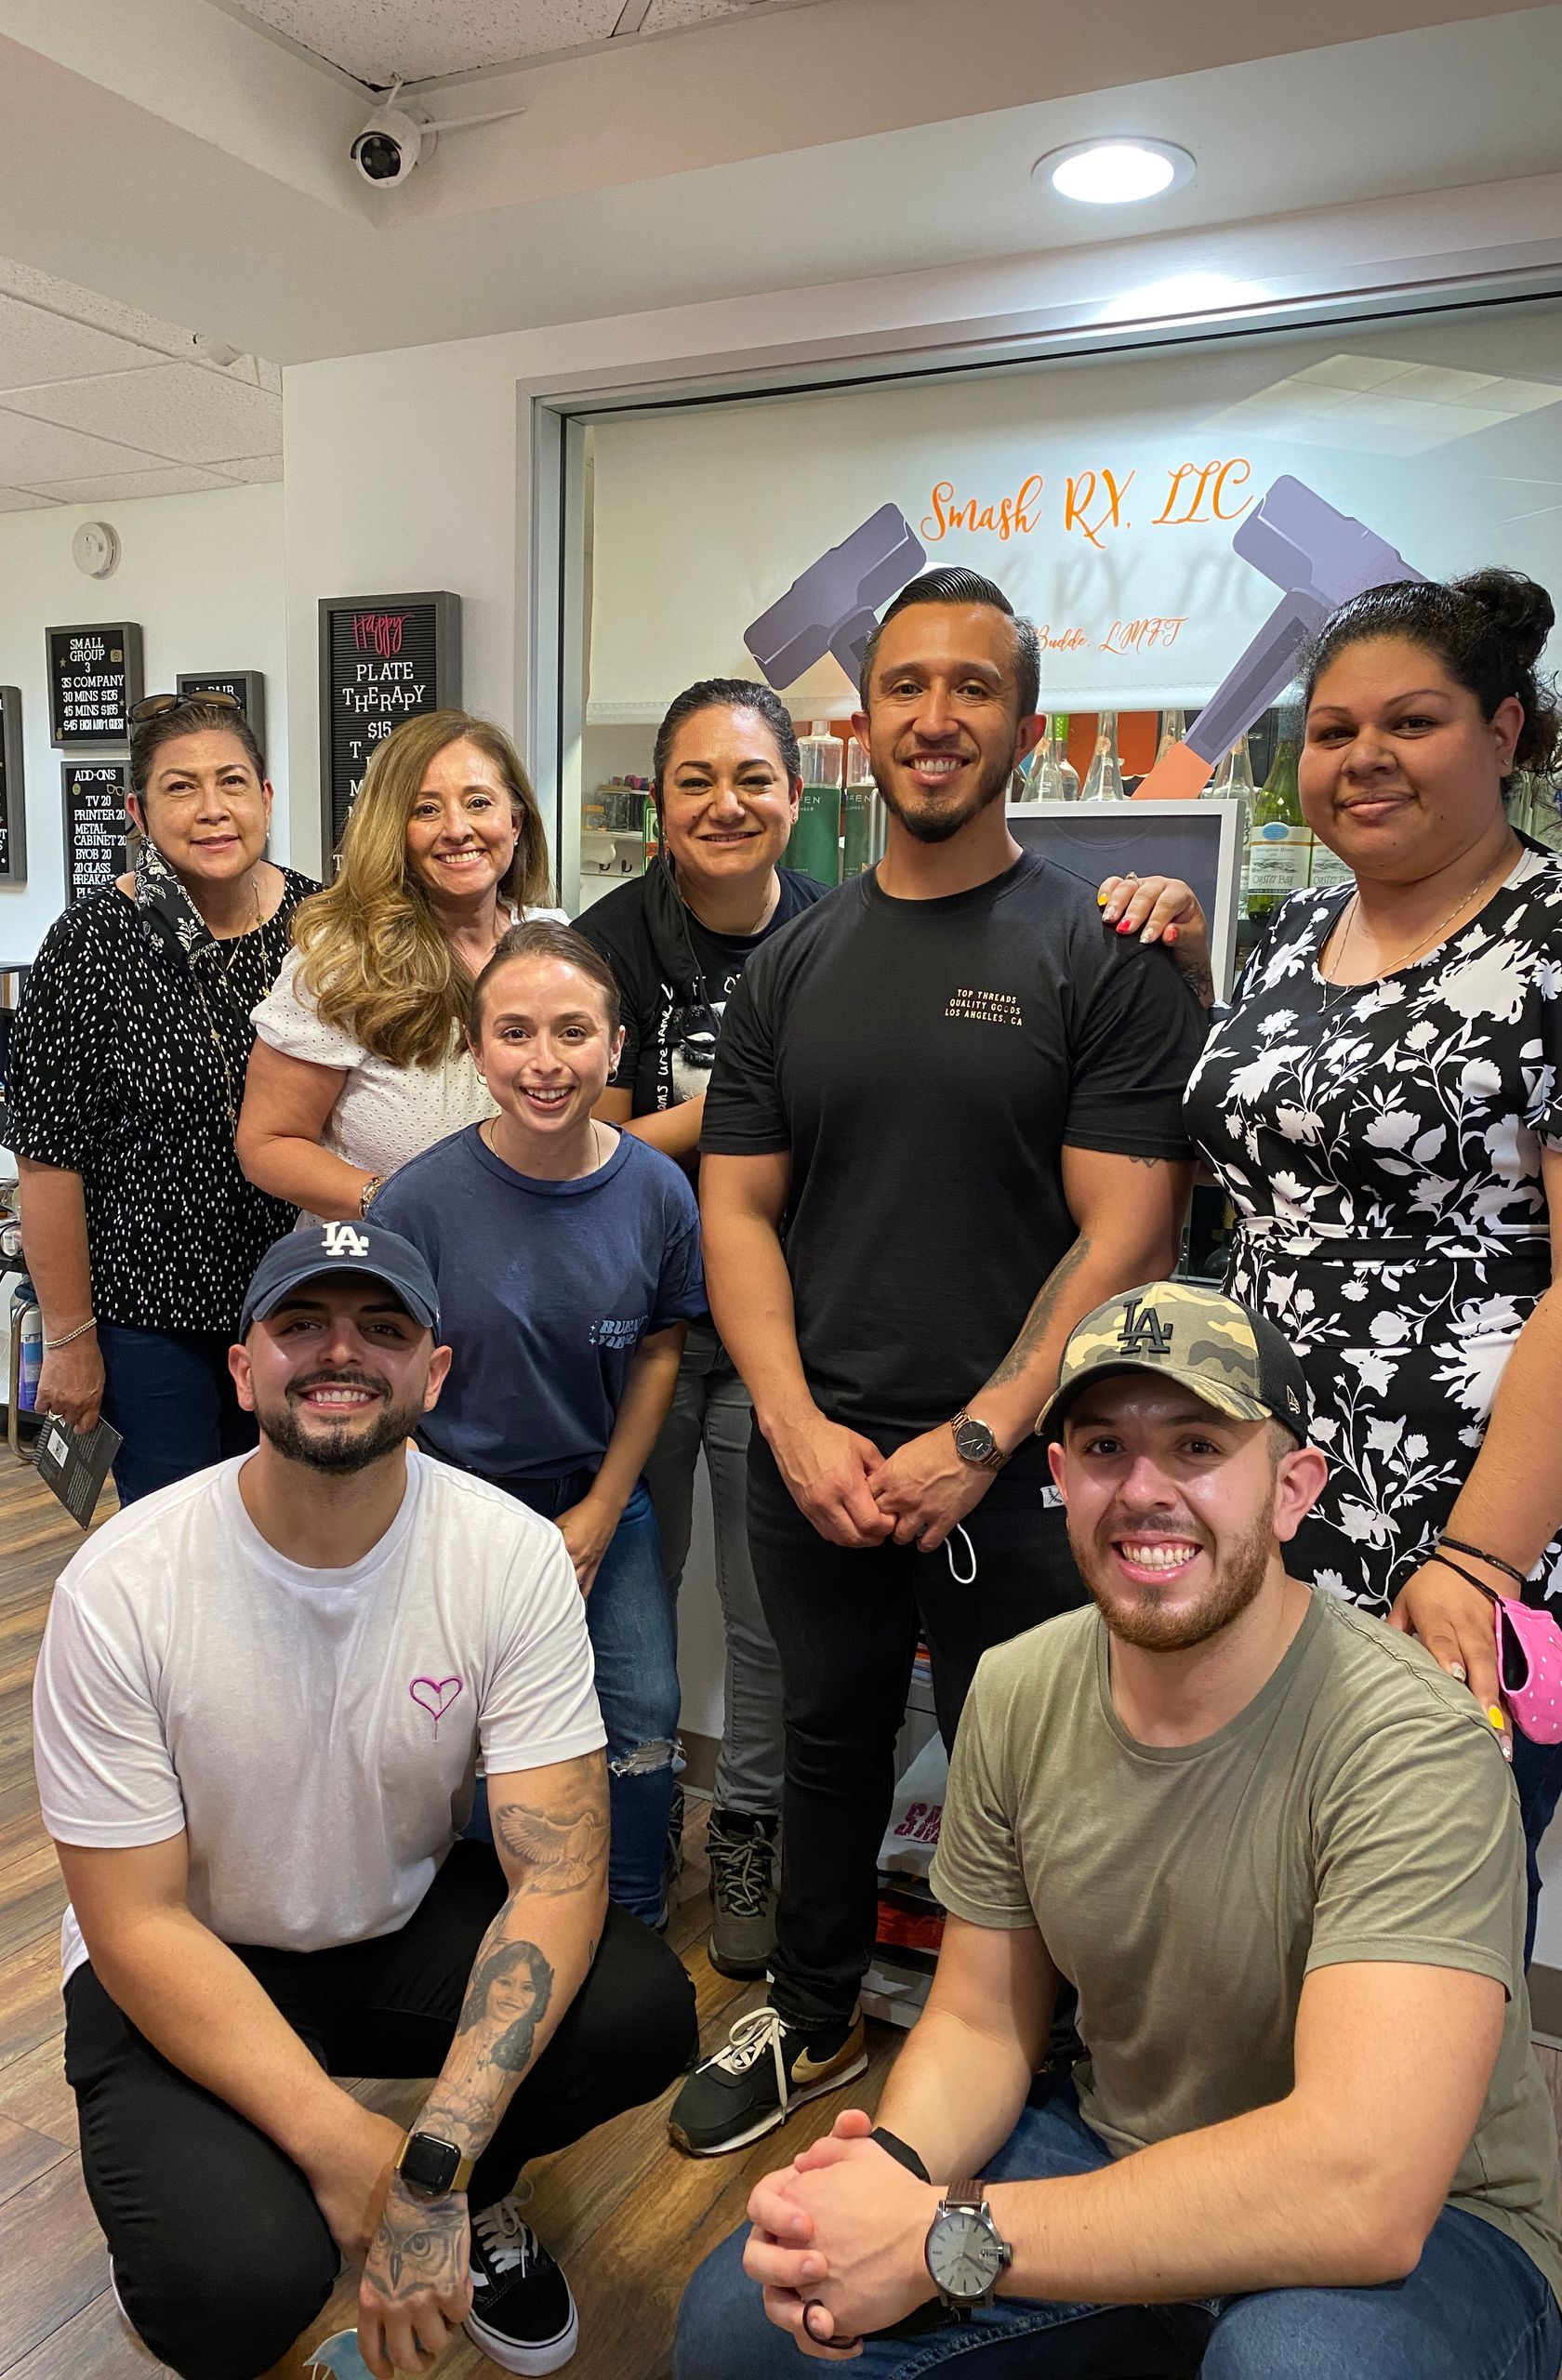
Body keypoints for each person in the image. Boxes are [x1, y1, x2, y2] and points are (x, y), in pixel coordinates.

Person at [675, 1281, 1562, 2380]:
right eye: (1104, 1446)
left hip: (1436, 2227)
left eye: (1197, 1444)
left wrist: (945, 2238)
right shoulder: (1016, 1687)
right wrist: (894, 2182)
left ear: (1292, 1491)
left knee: (1297, 2367)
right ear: (1059, 1481)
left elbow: (1365, 2189)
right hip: (1122, 2143)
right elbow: (979, 2021)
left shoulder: (1413, 1742)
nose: (1145, 1491)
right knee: (744, 2329)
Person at [668, 569, 1208, 2158]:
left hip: (1029, 1461)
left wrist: (979, 1434)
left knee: (1038, 1769)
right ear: (862, 724)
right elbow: (741, 1210)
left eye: (974, 688)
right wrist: (792, 1424)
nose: (936, 716)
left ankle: (1042, 2060)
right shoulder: (793, 964)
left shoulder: (1096, 954)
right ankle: (815, 2017)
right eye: (907, 686)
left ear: (1026, 727)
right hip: (821, 1452)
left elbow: (1127, 1236)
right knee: (826, 1740)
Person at [32, 1222, 696, 2380]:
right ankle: (271, 2187)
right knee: (228, 2283)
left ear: (433, 1374)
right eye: (302, 1325)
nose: (342, 1352)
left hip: (391, 1925)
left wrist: (433, 2165)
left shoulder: (509, 1558)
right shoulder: (121, 1585)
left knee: (644, 2011)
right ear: (242, 1370)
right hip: (188, 1953)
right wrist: (351, 2149)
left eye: (382, 1328)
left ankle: (472, 2200)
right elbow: (132, 1920)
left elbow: (561, 1866)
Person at [1104, 569, 1562, 1950]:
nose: (1364, 760)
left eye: (1412, 722)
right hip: (1287, 1486)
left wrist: (1479, 1560)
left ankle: (1433, 2170)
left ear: (1505, 731)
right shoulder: (1299, 931)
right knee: (1272, 1862)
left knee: (1428, 1897)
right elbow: (1290, 1141)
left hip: (1485, 1503)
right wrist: (1180, 977)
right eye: (1335, 731)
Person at [370, 922, 707, 1928]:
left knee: (641, 1714)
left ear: (616, 1048)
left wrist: (604, 1509)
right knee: (469, 1724)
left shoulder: (655, 1190)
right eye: (514, 1033)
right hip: (459, 1509)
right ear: (477, 1050)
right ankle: (503, 1920)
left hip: (605, 1504)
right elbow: (389, 1367)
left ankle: (636, 1912)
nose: (545, 1062)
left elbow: (658, 1346)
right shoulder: (419, 1200)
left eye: (572, 1033)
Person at [577, 677, 827, 1979]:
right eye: (695, 781)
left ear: (795, 792)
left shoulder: (841, 934)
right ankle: (632, 1830)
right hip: (647, 1325)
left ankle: (747, 1831)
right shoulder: (615, 936)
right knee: (631, 1602)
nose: (725, 804)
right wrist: (750, 1103)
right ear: (662, 804)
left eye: (751, 778)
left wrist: (731, 1116)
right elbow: (591, 1134)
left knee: (767, 1614)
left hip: (784, 1330)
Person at [5, 692, 317, 1503]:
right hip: (152, 1316)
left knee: (311, 1531)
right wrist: (71, 1340)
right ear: (140, 812)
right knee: (184, 1549)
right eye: (181, 789)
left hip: (305, 1304)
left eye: (233, 783)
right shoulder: (90, 943)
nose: (213, 811)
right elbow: (46, 1162)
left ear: (268, 797)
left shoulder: (326, 925)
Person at [237, 709, 567, 1221]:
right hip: (384, 1271)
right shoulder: (342, 959)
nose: (457, 830)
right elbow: (268, 1143)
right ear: (393, 829)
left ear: (516, 822)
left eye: (479, 803)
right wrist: (396, 1203)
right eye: (426, 810)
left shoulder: (551, 939)